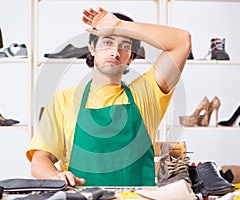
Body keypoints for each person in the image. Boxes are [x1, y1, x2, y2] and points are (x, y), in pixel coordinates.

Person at [26, 7, 191, 187]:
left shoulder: (147, 93)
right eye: (107, 42)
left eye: (125, 46)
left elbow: (182, 41)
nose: (115, 52)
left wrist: (119, 26)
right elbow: (40, 159)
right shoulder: (64, 100)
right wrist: (55, 176)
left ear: (131, 58)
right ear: (92, 48)